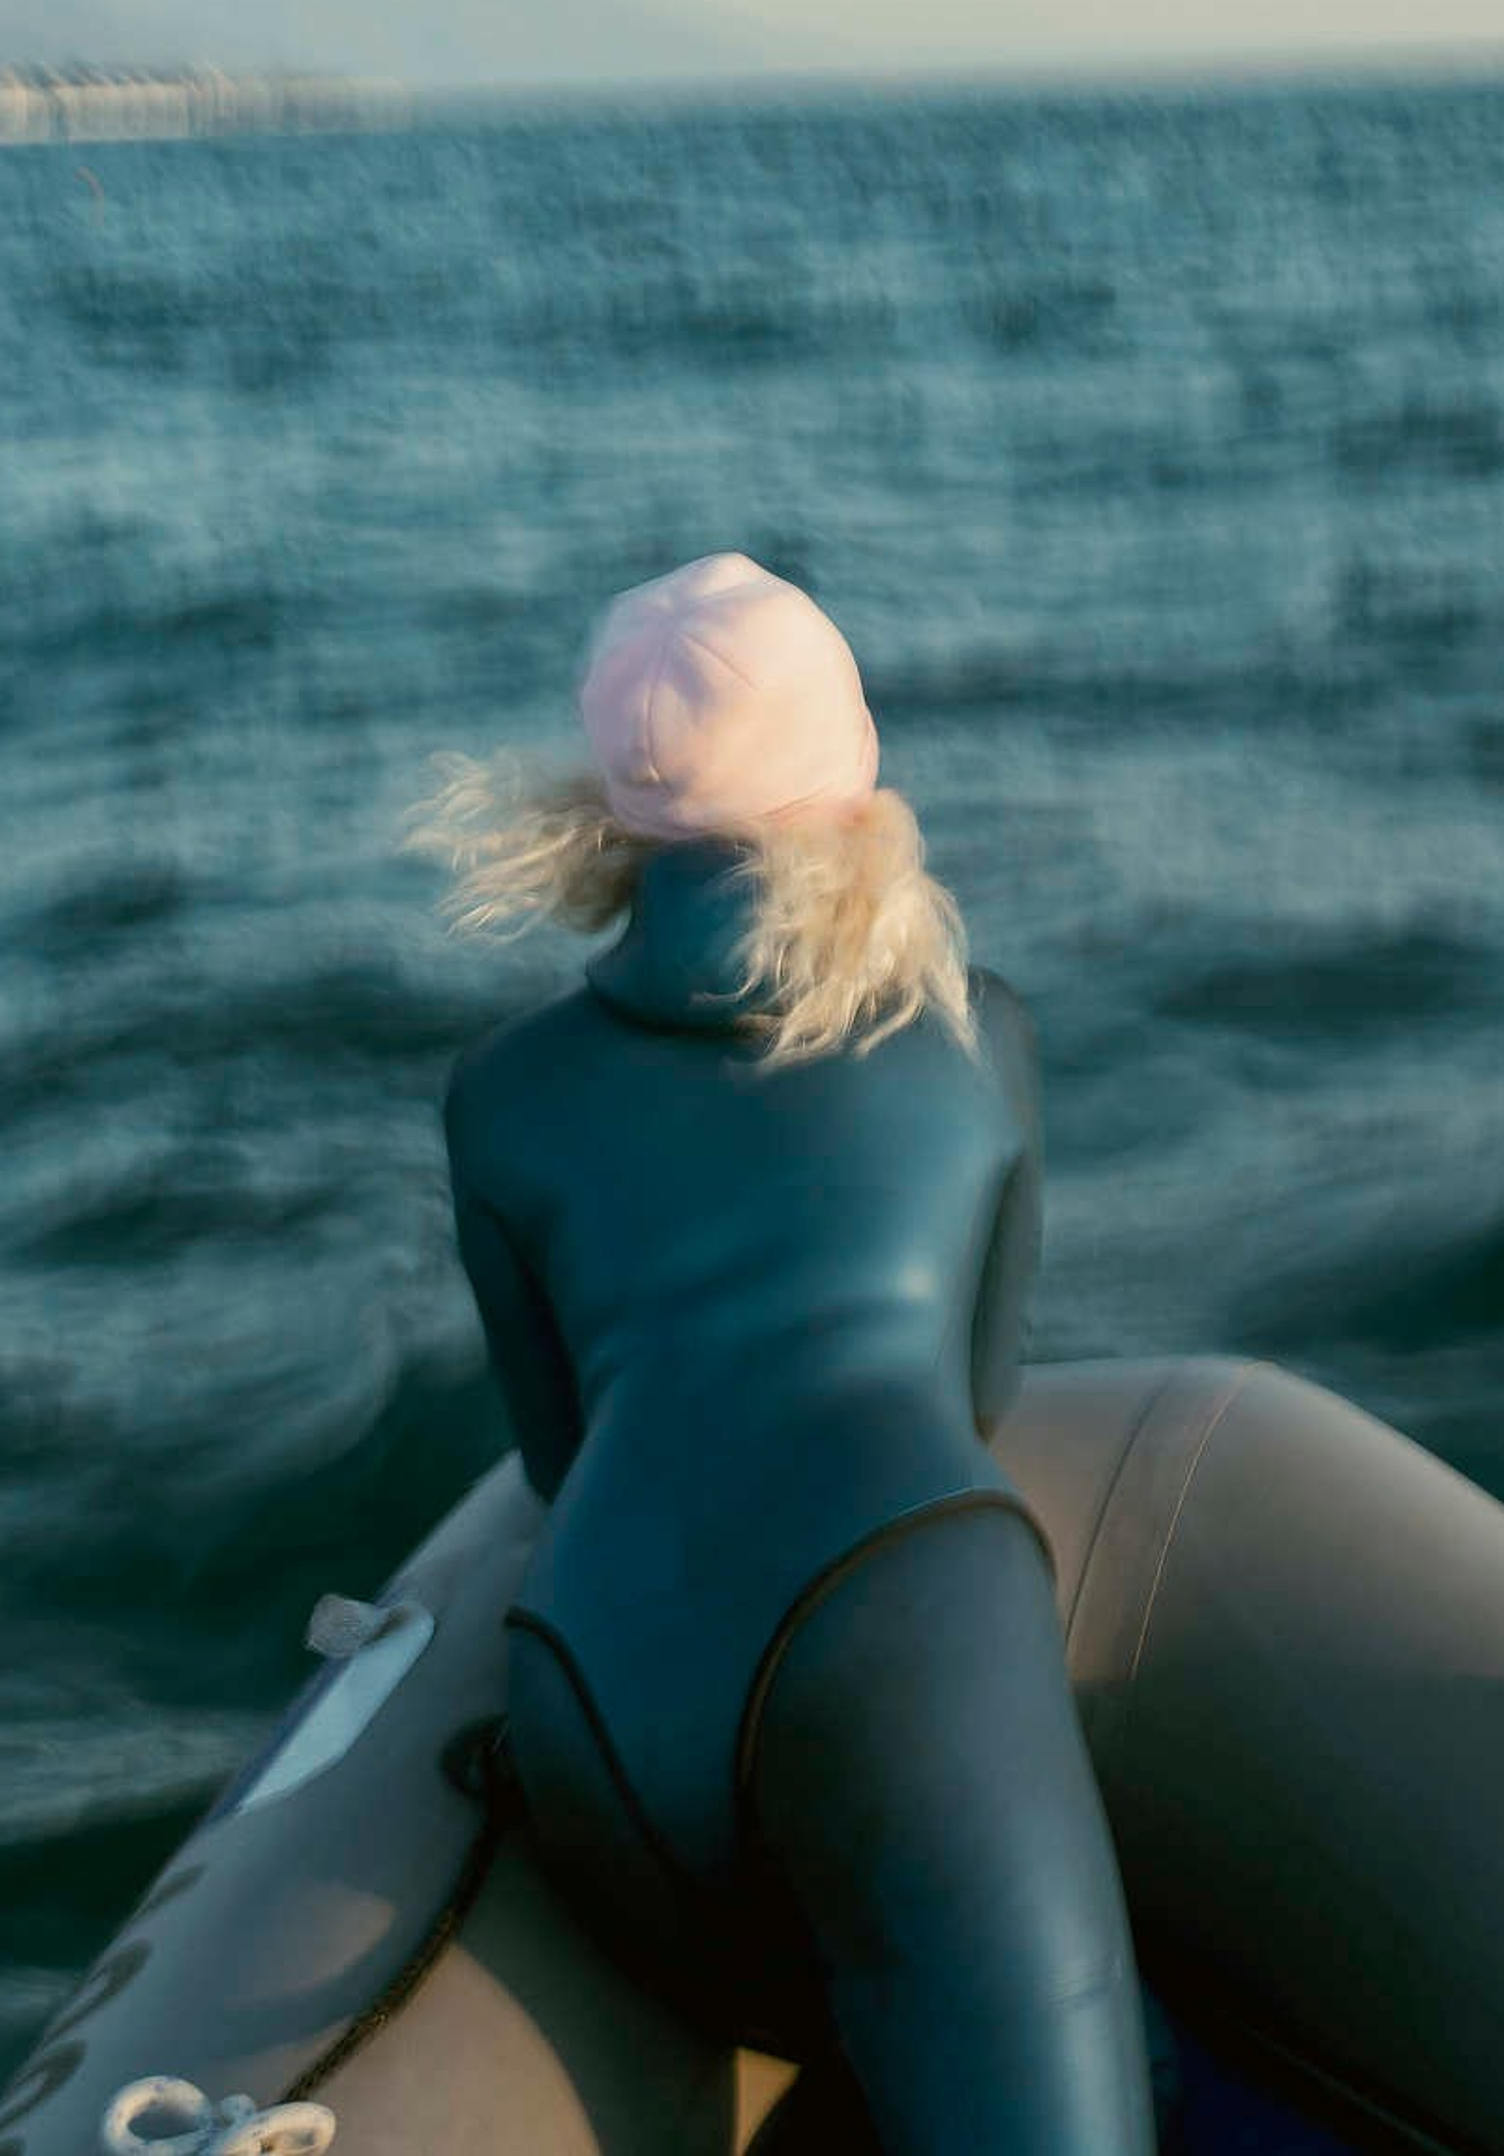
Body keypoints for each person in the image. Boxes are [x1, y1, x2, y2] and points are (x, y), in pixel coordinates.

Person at [412, 553, 1155, 2156]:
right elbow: (976, 1397)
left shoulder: (499, 1092)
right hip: (906, 1651)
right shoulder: (982, 1035)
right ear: (855, 789)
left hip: (596, 1704)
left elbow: (555, 1462)